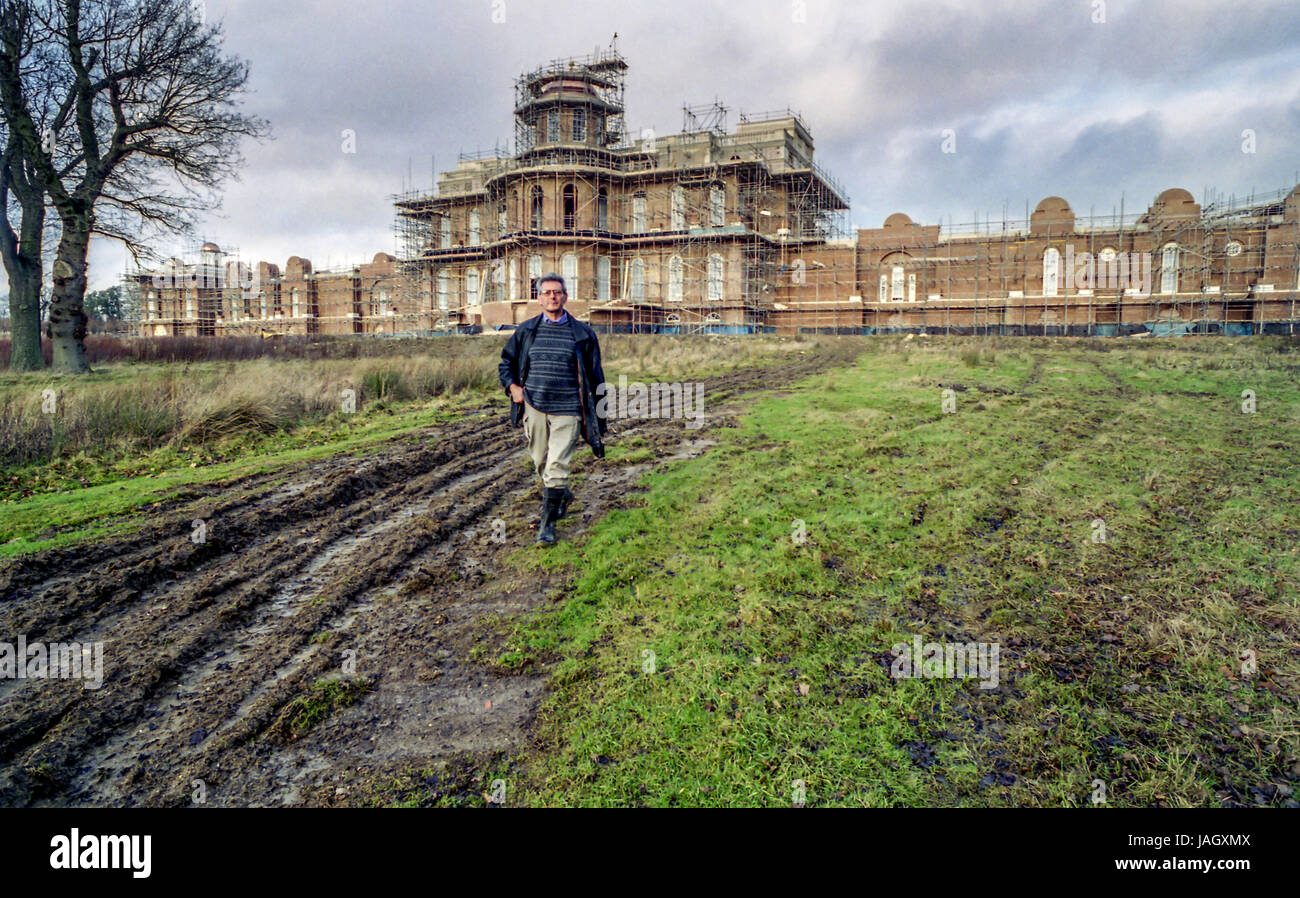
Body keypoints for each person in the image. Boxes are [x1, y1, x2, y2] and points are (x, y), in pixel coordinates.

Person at [498, 272, 607, 545]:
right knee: (540, 461)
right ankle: (561, 494)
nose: (552, 296)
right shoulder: (526, 331)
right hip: (534, 405)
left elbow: (596, 376)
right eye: (547, 292)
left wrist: (600, 419)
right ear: (539, 298)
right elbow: (506, 364)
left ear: (565, 296)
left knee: (557, 464)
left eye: (557, 292)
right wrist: (513, 388)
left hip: (569, 408)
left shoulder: (582, 333)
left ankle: (547, 526)